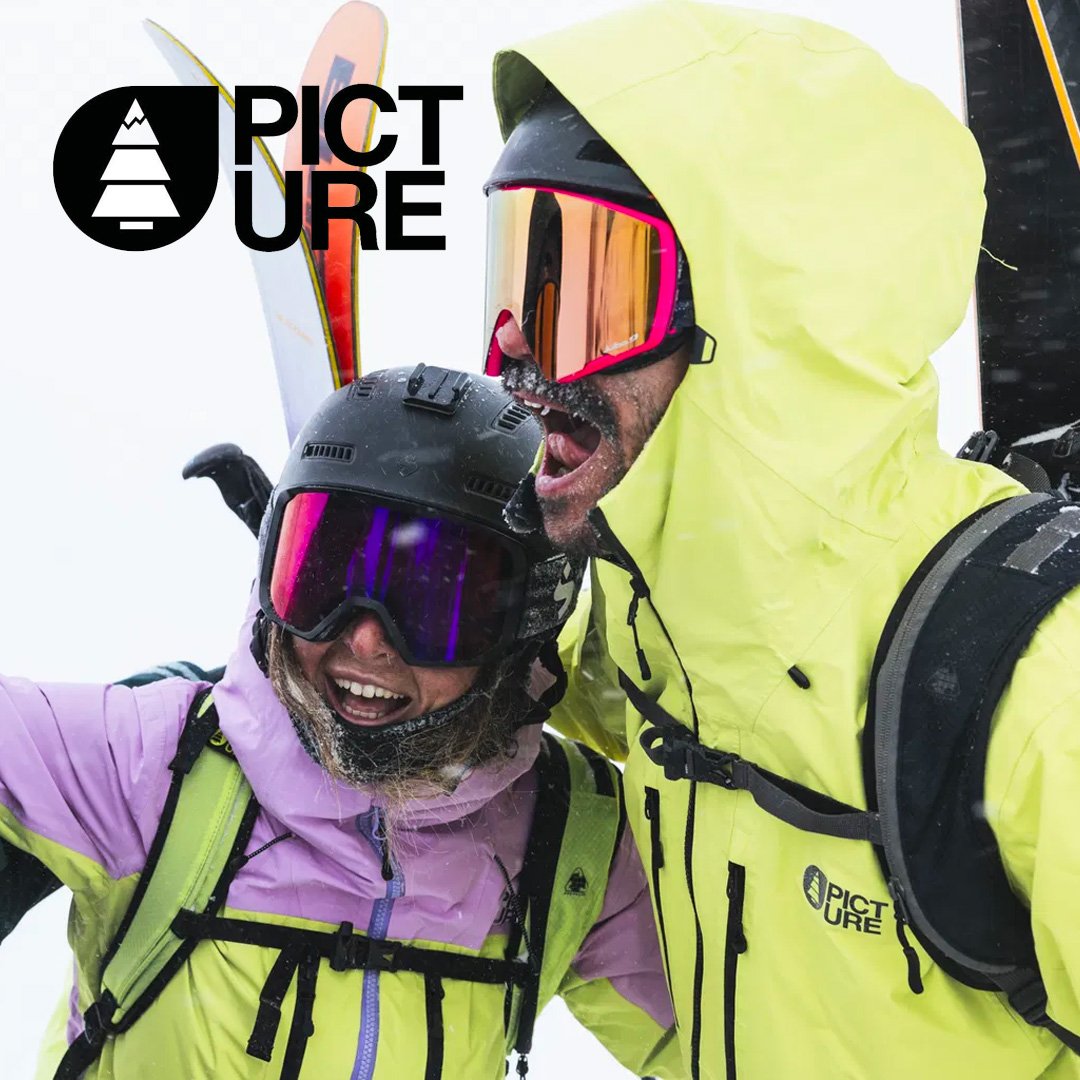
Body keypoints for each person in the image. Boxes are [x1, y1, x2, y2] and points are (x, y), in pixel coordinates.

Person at [480, 4, 1080, 1078]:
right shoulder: (652, 604)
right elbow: (540, 671)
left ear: (757, 328)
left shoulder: (1037, 692)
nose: (514, 340)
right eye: (521, 267)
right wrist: (378, 577)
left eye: (583, 286)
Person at [0, 365, 680, 1079]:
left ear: (525, 622)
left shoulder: (569, 840)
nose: (364, 639)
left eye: (431, 605)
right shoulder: (153, 763)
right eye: (323, 577)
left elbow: (748, 1039)